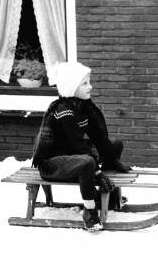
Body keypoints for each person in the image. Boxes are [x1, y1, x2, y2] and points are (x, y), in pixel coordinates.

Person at [31, 61, 131, 231]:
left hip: (71, 154)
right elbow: (77, 146)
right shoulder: (63, 111)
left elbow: (99, 137)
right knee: (87, 162)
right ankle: (90, 212)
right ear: (71, 86)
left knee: (114, 145)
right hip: (52, 163)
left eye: (89, 82)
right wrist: (97, 173)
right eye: (84, 83)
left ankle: (108, 195)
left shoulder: (84, 106)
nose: (90, 87)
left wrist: (112, 159)